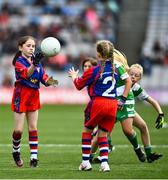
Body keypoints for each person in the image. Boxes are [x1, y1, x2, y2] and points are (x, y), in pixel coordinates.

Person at [68, 40, 132, 172]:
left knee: (87, 131)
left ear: (98, 55)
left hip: (98, 103)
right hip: (113, 104)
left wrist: (74, 76)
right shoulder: (117, 68)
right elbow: (128, 81)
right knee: (103, 134)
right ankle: (105, 164)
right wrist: (123, 99)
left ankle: (86, 162)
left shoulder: (94, 70)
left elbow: (79, 85)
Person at [11, 36, 58, 168]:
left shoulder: (36, 61)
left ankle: (34, 157)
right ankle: (16, 151)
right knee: (19, 130)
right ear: (21, 48)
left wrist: (52, 81)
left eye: (33, 46)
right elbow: (27, 74)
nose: (31, 48)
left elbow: (43, 77)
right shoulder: (19, 62)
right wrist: (34, 64)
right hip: (21, 95)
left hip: (34, 95)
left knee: (33, 127)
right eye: (28, 45)